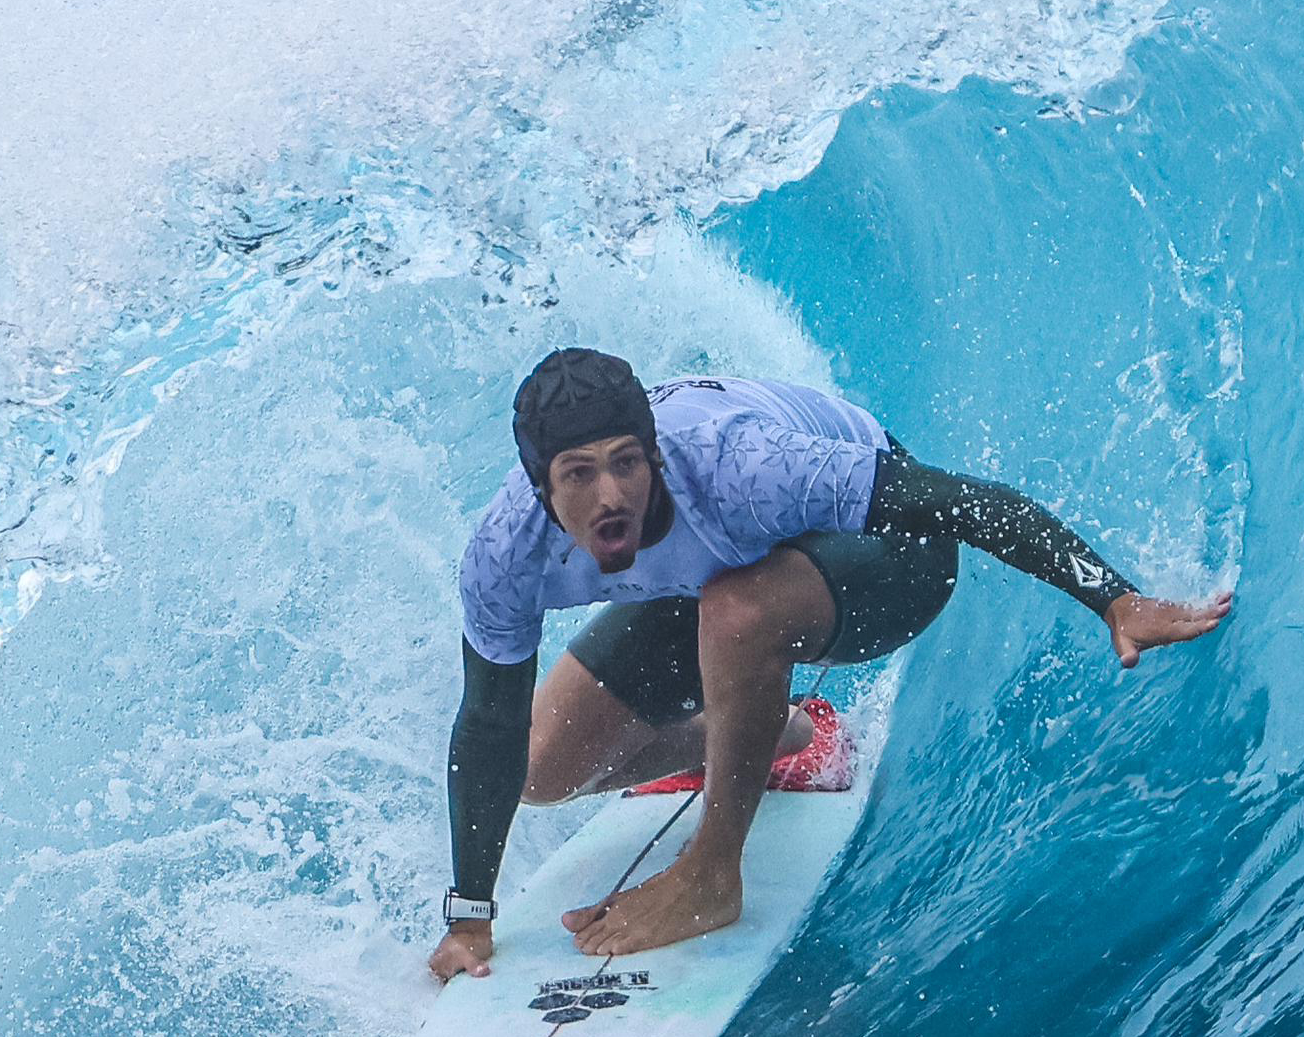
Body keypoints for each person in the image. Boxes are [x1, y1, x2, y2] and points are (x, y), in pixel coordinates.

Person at [428, 348, 1232, 978]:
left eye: (628, 463)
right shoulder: (506, 554)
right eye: (579, 475)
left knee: (736, 611)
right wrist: (469, 917)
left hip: (889, 563)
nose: (612, 495)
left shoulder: (741, 466)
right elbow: (489, 725)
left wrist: (1112, 598)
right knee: (542, 765)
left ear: (655, 457)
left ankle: (712, 875)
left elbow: (961, 504)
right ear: (539, 486)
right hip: (710, 586)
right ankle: (779, 737)